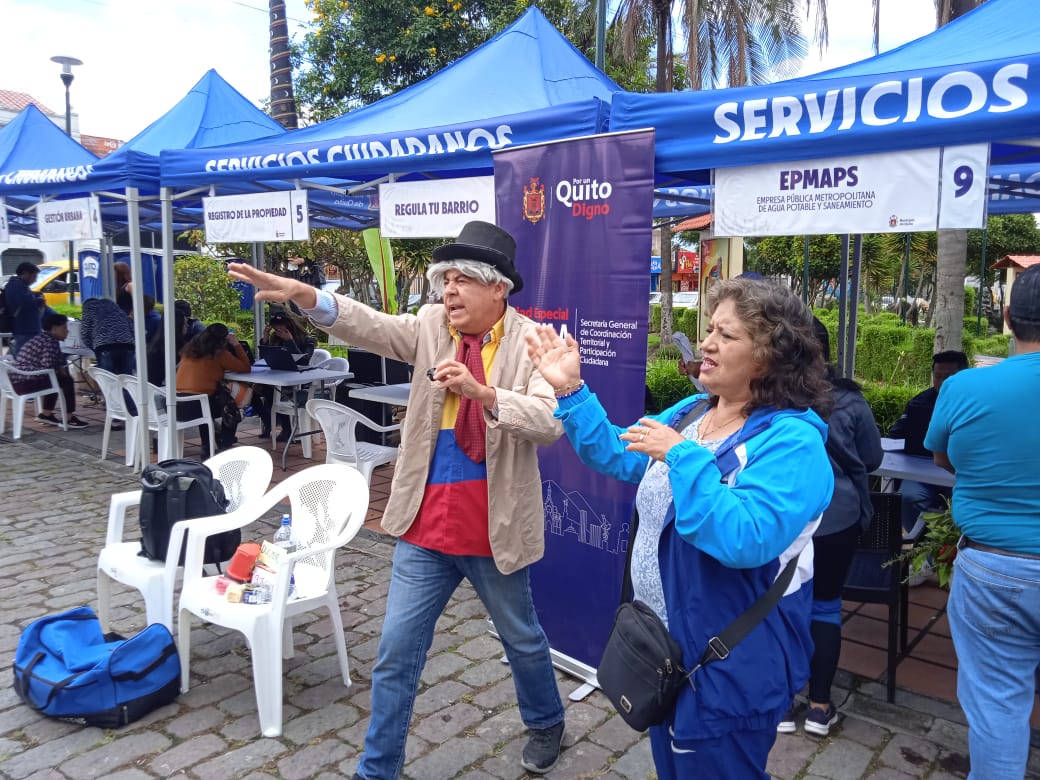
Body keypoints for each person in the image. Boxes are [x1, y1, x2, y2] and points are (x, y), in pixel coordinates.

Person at [228, 220, 568, 779]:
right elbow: (371, 325)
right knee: (395, 653)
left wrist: (484, 393)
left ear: (498, 288)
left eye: (462, 280)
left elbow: (551, 422)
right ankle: (377, 769)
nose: (448, 291)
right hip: (425, 524)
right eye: (445, 280)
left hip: (493, 526)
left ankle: (546, 721)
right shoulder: (433, 325)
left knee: (522, 639)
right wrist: (307, 296)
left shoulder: (533, 341)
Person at [526, 278, 834, 779]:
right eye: (709, 329)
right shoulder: (694, 413)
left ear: (770, 354)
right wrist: (569, 388)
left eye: (726, 335)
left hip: (726, 668)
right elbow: (616, 453)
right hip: (666, 656)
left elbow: (744, 537)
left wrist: (684, 455)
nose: (706, 343)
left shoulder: (793, 443)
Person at [926, 264, 1040, 779]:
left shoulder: (966, 388)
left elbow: (944, 460)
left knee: (997, 707)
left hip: (994, 569)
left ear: (1009, 318)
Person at [777, 318, 882, 737]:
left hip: (786, 516)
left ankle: (783, 703)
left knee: (781, 604)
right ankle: (820, 706)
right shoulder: (849, 401)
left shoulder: (772, 397)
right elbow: (871, 459)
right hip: (838, 517)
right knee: (825, 607)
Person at [888, 350, 968, 536]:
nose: (942, 381)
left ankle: (948, 547)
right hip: (920, 470)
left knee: (963, 503)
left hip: (960, 473)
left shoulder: (976, 403)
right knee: (908, 497)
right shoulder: (920, 403)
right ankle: (924, 545)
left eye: (949, 376)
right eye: (938, 376)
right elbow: (896, 433)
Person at [174, 323, 251, 456]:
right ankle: (225, 439)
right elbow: (245, 367)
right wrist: (236, 344)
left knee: (208, 399)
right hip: (199, 407)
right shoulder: (219, 353)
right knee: (232, 402)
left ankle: (209, 443)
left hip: (177, 405)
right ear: (224, 339)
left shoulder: (189, 351)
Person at [10, 312, 88, 429]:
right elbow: (48, 365)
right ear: (54, 329)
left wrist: (61, 368)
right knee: (65, 381)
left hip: (17, 380)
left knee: (58, 378)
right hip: (25, 382)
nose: (67, 331)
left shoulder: (43, 337)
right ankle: (69, 417)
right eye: (64, 328)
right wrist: (61, 369)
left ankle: (46, 414)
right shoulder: (50, 342)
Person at [252, 310, 317, 441]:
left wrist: (290, 341)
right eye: (276, 329)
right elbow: (266, 357)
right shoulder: (275, 338)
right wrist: (265, 339)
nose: (278, 332)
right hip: (278, 377)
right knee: (253, 393)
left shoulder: (307, 340)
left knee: (274, 394)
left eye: (281, 329)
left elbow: (304, 360)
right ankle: (268, 422)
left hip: (299, 380)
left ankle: (286, 429)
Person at [80, 297, 135, 375]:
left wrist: (94, 347)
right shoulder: (116, 308)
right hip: (127, 345)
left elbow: (85, 333)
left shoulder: (89, 309)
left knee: (108, 380)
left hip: (105, 347)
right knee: (126, 379)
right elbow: (131, 327)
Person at [4, 262, 42, 357]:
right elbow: (25, 304)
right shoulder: (15, 286)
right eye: (34, 276)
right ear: (25, 273)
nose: (35, 280)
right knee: (25, 359)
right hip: (24, 329)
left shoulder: (20, 286)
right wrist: (38, 301)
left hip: (28, 329)